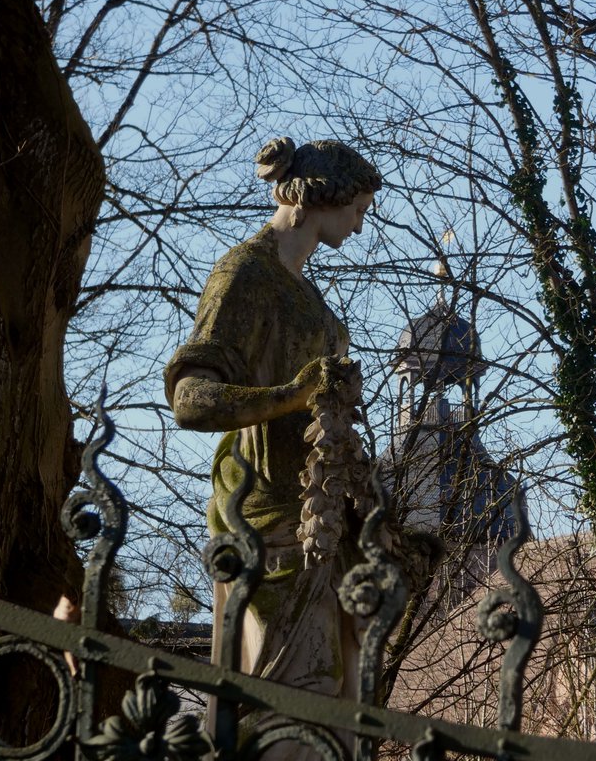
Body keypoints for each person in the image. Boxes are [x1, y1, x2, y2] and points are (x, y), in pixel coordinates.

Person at [164, 136, 381, 743]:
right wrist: (294, 393)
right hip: (268, 515)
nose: (360, 226)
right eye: (357, 209)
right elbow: (191, 399)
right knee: (288, 704)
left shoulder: (306, 291)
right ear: (321, 198)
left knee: (331, 704)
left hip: (319, 514)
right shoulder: (245, 273)